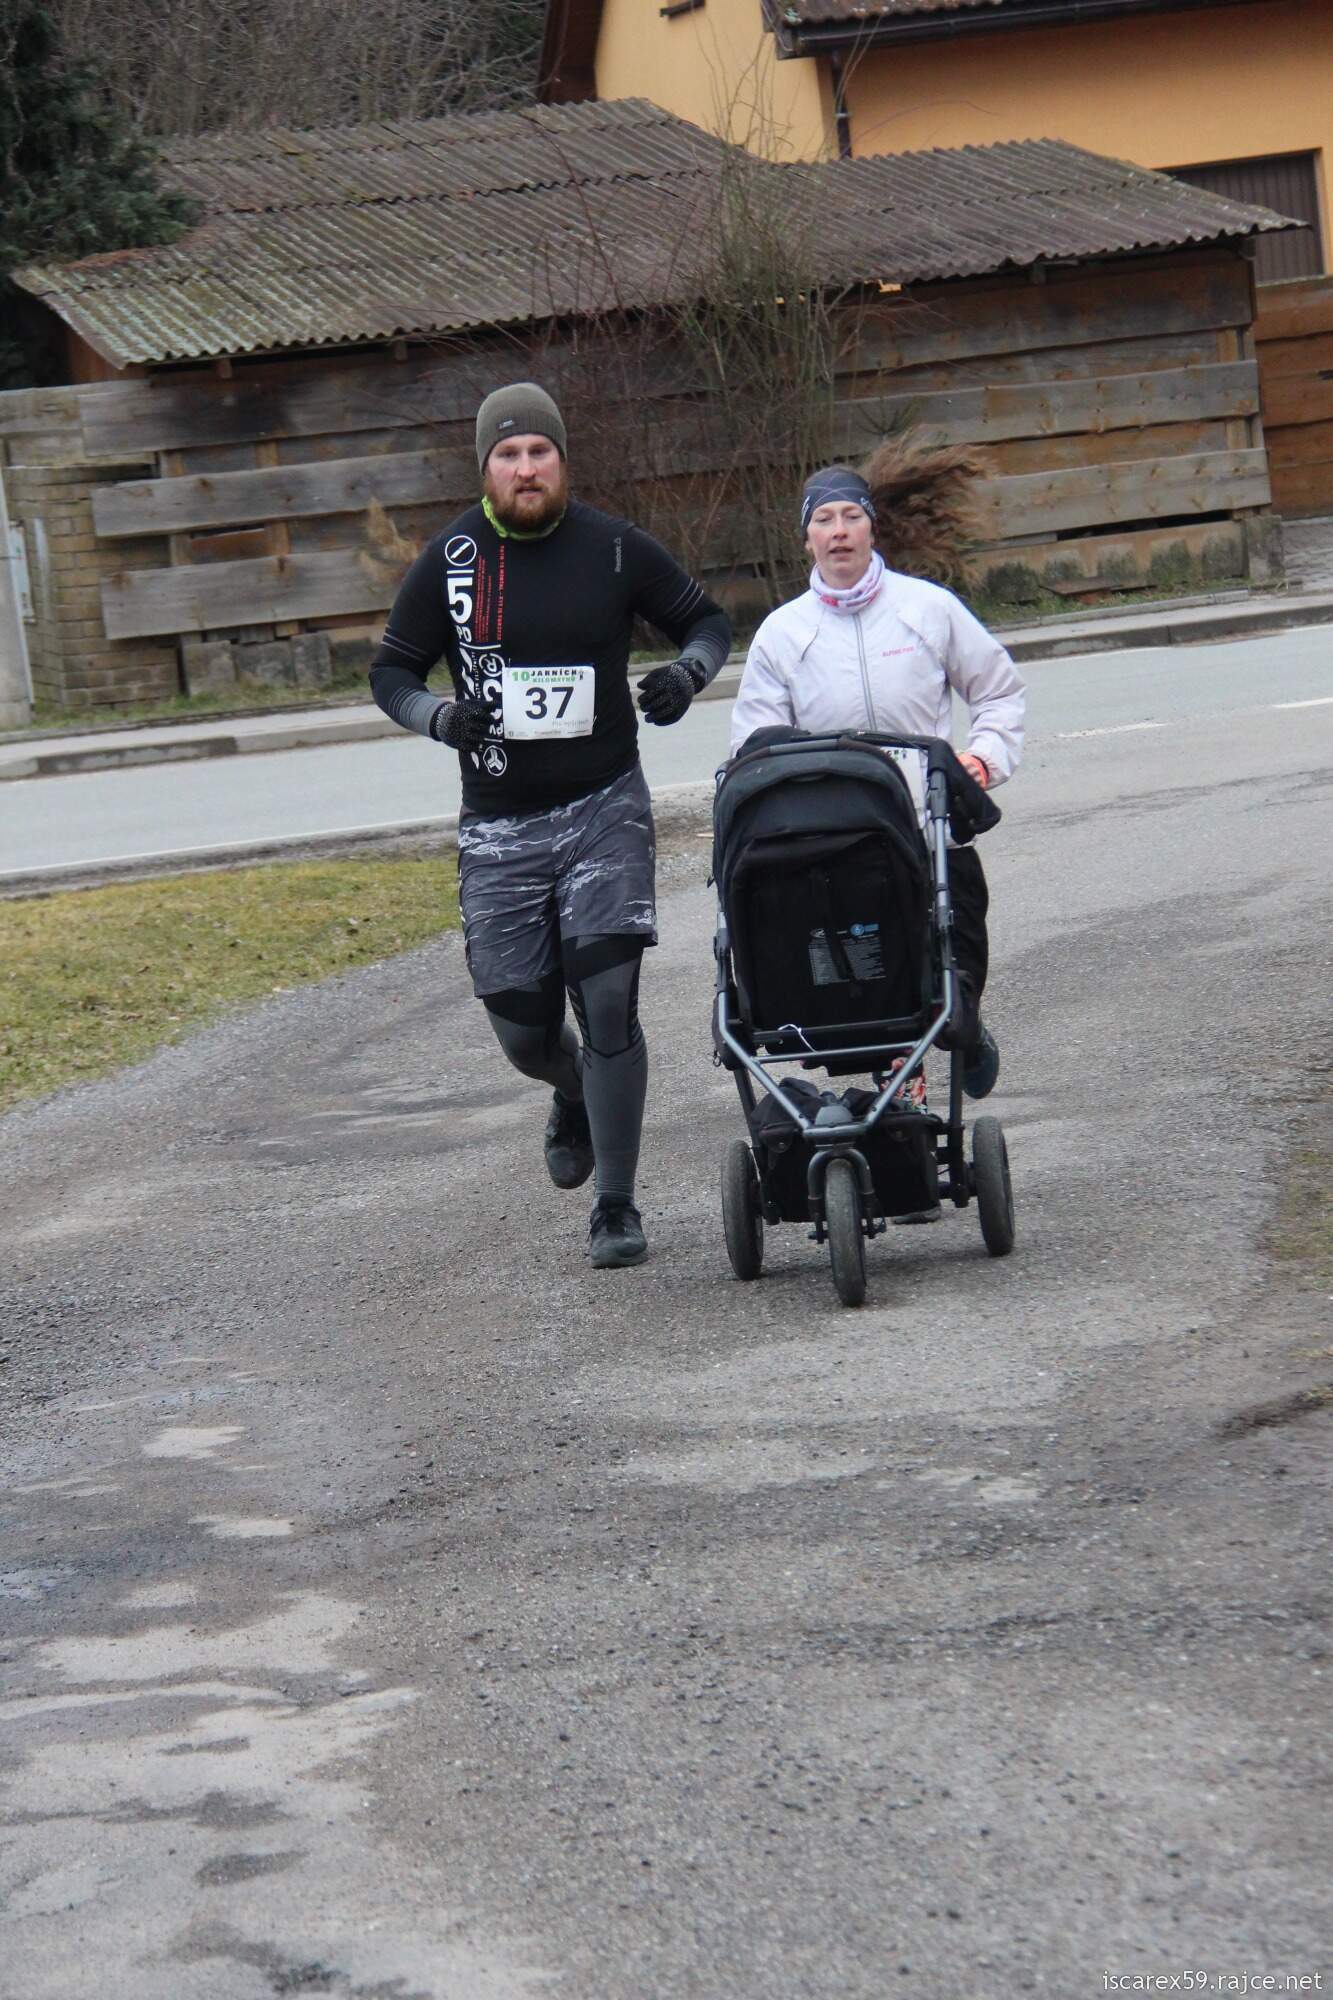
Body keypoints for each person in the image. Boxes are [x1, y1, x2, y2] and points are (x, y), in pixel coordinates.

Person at [370, 383, 731, 1268]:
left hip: (604, 805)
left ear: (562, 461)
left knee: (607, 997)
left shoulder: (613, 547)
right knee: (523, 1030)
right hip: (500, 825)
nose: (525, 468)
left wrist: (685, 676)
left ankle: (616, 1206)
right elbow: (390, 673)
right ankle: (568, 1090)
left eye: (540, 452)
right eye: (508, 454)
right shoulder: (451, 560)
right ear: (485, 468)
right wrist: (438, 718)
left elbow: (706, 622)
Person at [729, 462, 1025, 1104]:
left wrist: (981, 761)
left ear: (872, 527)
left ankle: (966, 1028)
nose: (839, 531)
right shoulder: (783, 634)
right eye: (823, 519)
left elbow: (998, 691)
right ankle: (899, 1074)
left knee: (955, 961)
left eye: (851, 516)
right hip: (839, 839)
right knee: (869, 971)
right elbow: (754, 746)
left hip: (929, 824)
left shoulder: (927, 609)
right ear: (806, 538)